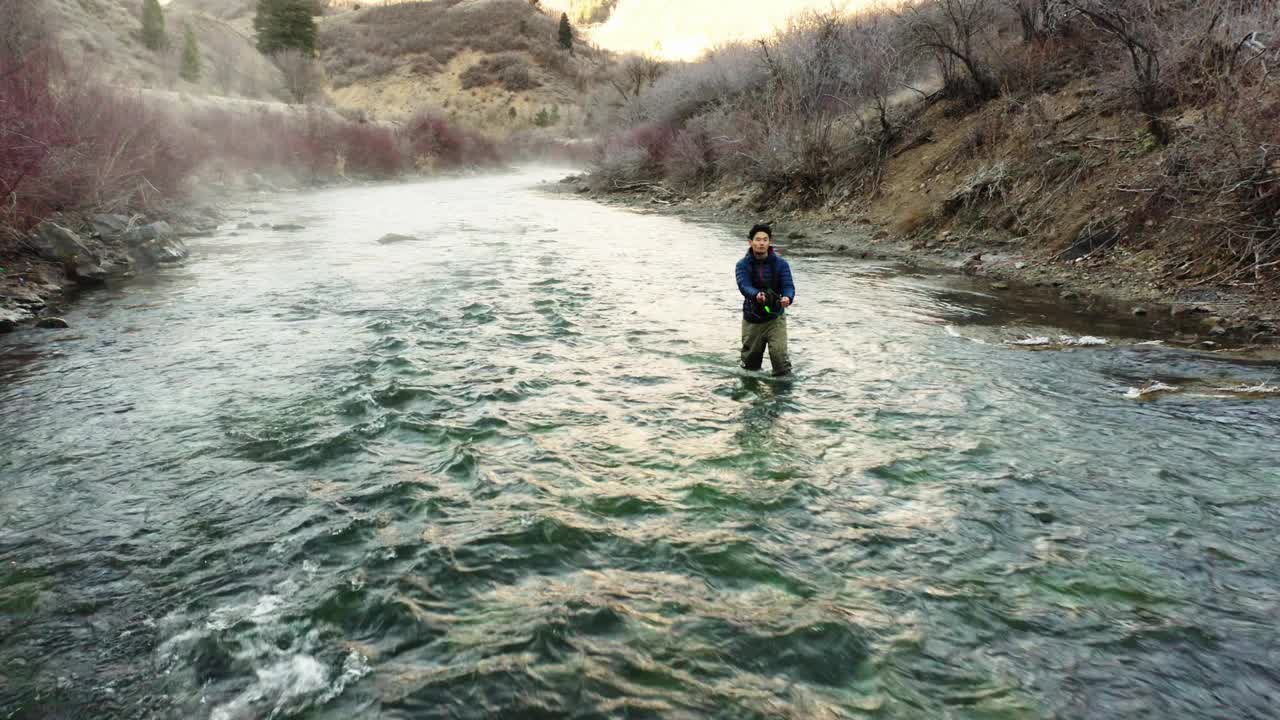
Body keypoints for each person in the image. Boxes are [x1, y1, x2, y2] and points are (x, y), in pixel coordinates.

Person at [735, 223, 795, 376]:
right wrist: (756, 295)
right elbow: (744, 286)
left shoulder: (781, 264)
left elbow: (788, 285)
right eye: (758, 239)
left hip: (776, 317)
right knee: (750, 366)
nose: (761, 243)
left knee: (780, 360)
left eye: (765, 240)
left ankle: (783, 395)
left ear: (770, 242)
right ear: (750, 242)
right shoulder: (742, 265)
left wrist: (788, 297)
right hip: (752, 319)